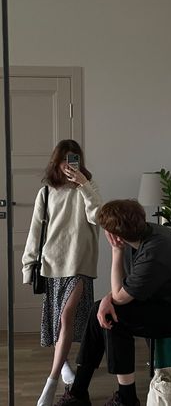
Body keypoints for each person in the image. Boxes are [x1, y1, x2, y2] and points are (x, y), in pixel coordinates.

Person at [54, 199, 171, 406]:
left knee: (113, 316)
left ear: (114, 236)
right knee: (100, 309)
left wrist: (115, 252)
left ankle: (126, 398)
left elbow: (121, 297)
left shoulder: (154, 250)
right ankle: (78, 393)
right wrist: (107, 299)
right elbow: (124, 288)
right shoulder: (145, 236)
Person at [22, 139, 102, 406]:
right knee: (59, 324)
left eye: (75, 159)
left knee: (66, 317)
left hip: (79, 264)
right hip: (52, 264)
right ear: (56, 162)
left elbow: (99, 216)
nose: (70, 165)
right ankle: (64, 363)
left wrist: (84, 185)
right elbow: (35, 232)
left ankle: (51, 381)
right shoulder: (46, 192)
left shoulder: (87, 188)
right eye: (66, 160)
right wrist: (28, 265)